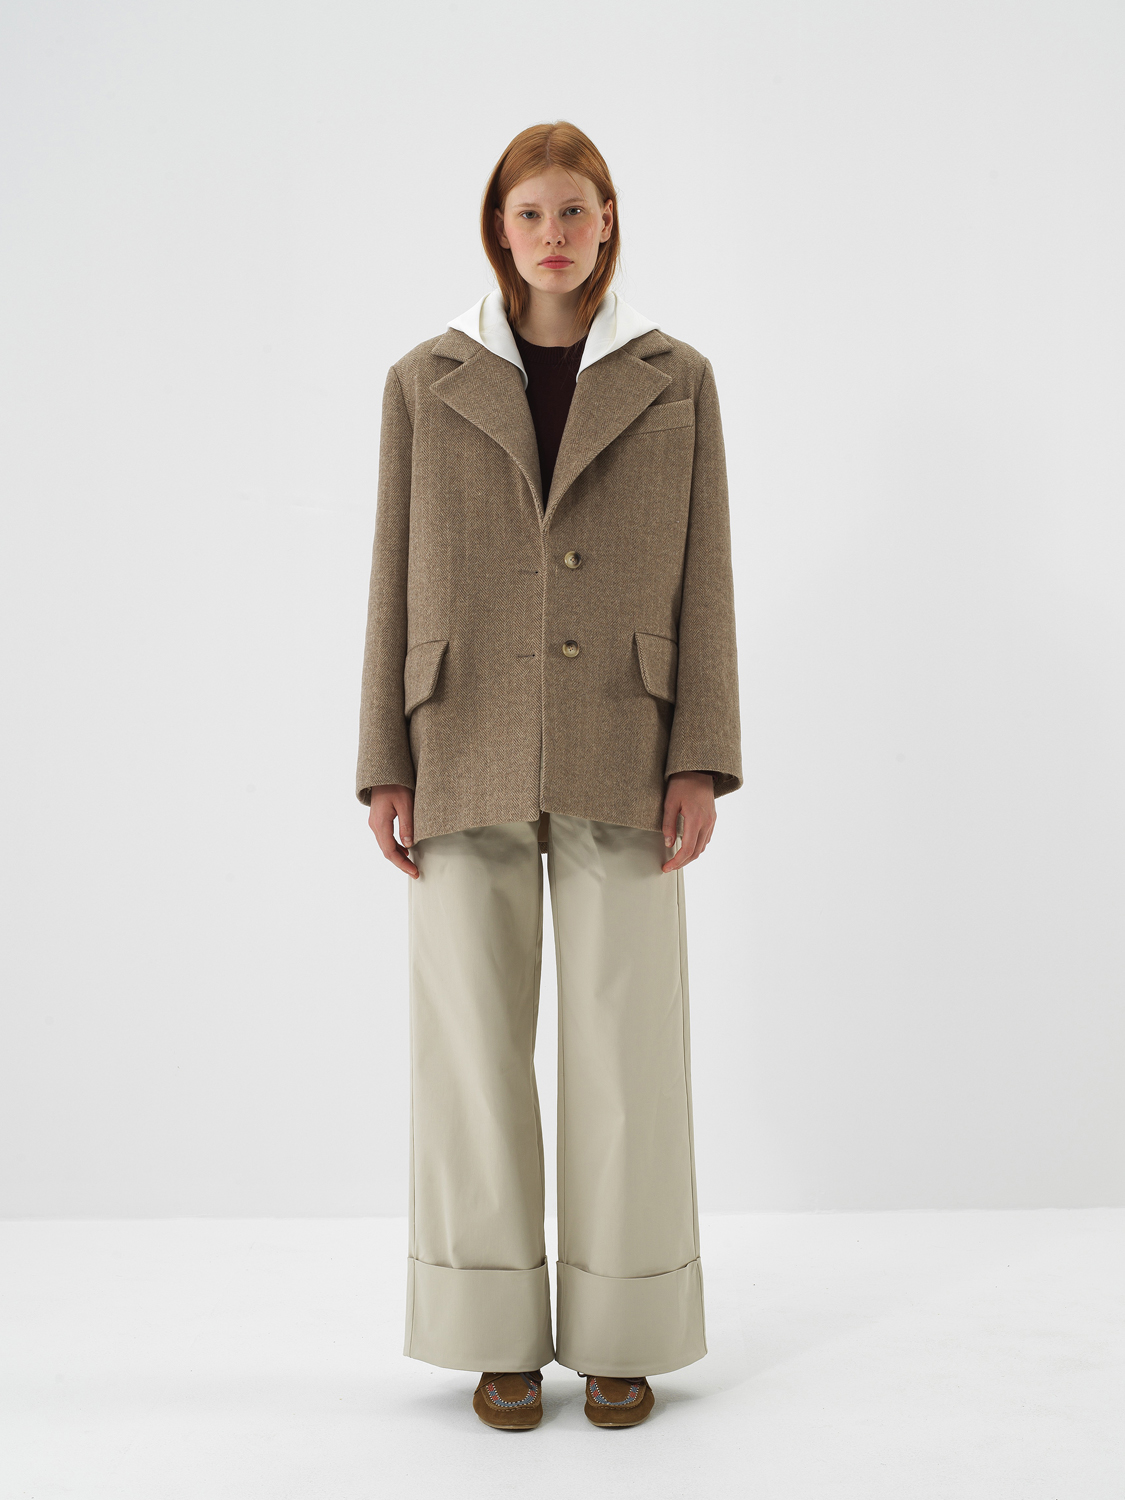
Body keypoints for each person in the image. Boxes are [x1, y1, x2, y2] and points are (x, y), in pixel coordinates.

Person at [356, 120, 742, 1430]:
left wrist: (700, 754)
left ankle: (625, 1323)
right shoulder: (424, 379)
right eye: (530, 214)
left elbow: (705, 576)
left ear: (608, 220)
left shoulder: (676, 378)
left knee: (627, 1046)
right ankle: (492, 1331)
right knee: (469, 1046)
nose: (554, 235)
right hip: (458, 730)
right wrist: (383, 759)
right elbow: (389, 573)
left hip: (626, 738)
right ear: (499, 230)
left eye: (575, 210)